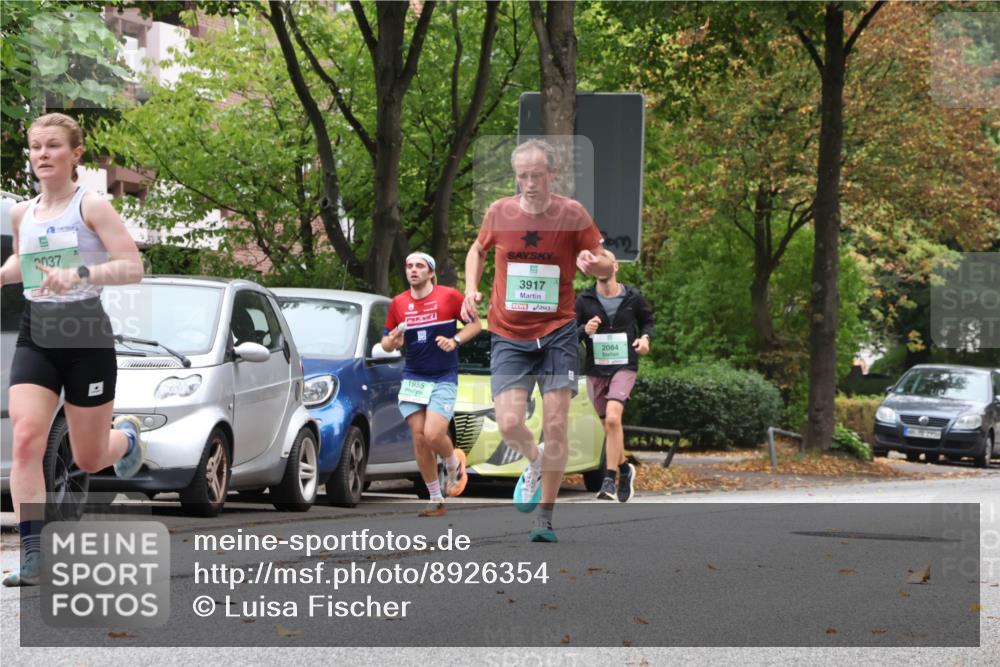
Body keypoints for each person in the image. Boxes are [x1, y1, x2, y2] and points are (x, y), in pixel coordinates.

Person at [0, 113, 146, 586]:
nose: (42, 155)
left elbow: (131, 266)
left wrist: (80, 273)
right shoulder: (22, 212)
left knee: (86, 458)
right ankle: (33, 553)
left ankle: (127, 438)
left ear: (75, 154)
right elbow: (24, 262)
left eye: (53, 146)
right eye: (36, 146)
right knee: (26, 439)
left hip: (84, 334)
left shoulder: (93, 207)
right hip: (37, 331)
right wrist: (3, 273)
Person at [462, 138, 612, 542]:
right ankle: (534, 460)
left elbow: (606, 260)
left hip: (558, 331)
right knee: (510, 422)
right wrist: (470, 289)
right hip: (509, 334)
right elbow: (477, 250)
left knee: (557, 425)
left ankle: (544, 517)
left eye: (537, 175)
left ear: (552, 174)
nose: (529, 183)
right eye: (522, 175)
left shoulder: (572, 213)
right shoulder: (500, 212)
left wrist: (591, 262)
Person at [382, 252, 481, 517]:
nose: (413, 270)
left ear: (430, 272)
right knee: (419, 439)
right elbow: (386, 341)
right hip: (414, 377)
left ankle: (453, 463)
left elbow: (476, 325)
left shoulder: (449, 296)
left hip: (443, 376)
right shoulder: (398, 303)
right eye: (409, 266)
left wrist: (455, 341)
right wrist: (392, 342)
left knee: (434, 433)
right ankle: (435, 499)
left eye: (419, 266)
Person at [576, 248, 653, 502]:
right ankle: (624, 468)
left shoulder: (633, 297)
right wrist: (584, 329)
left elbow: (648, 322)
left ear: (615, 266)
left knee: (612, 419)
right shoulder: (584, 300)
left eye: (603, 257)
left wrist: (645, 339)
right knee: (609, 426)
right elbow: (571, 333)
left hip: (624, 366)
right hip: (596, 369)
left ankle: (609, 480)